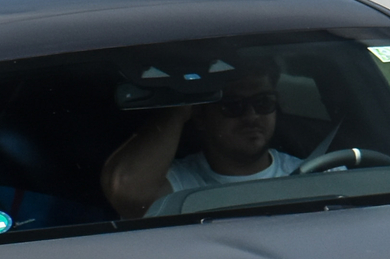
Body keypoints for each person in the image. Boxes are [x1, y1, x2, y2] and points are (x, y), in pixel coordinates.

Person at [100, 68, 303, 220]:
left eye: (263, 102)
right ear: (200, 117)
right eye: (232, 106)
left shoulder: (310, 175)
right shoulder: (179, 183)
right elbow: (128, 192)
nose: (252, 116)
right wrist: (178, 109)